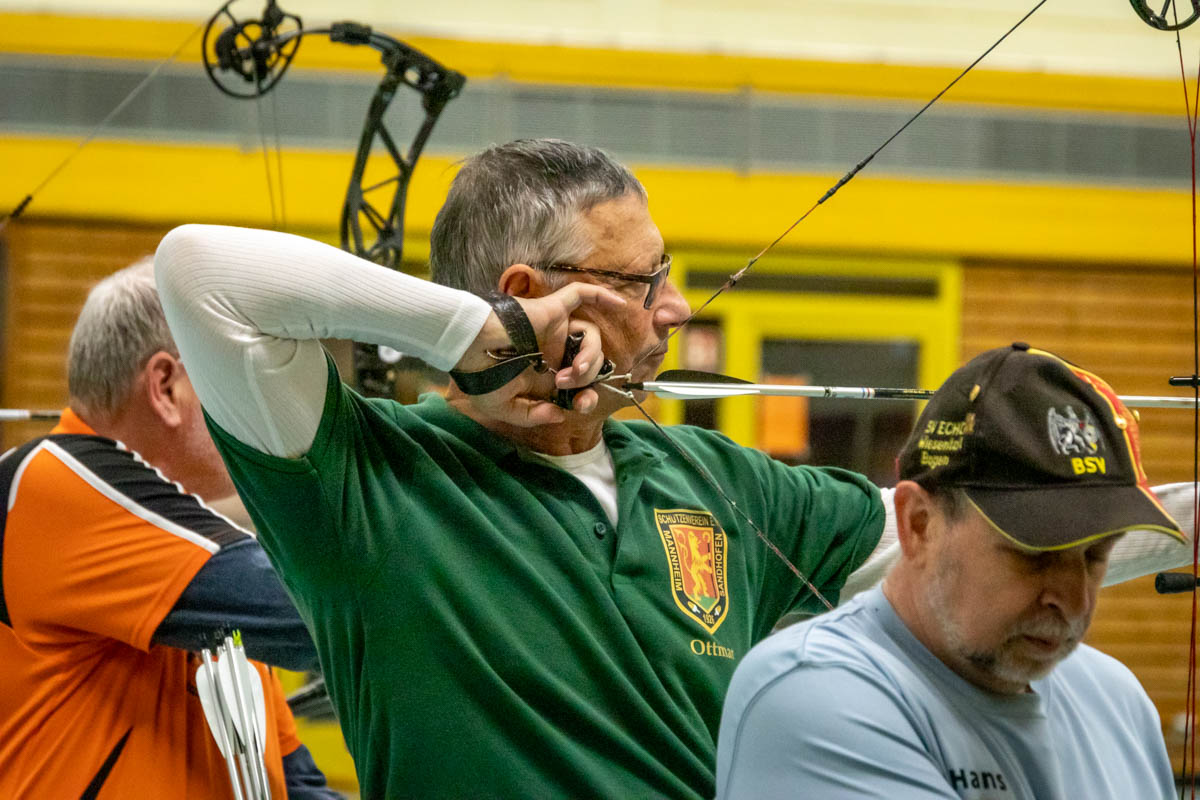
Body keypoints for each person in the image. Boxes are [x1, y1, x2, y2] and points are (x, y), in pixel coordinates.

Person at [154, 139, 1196, 798]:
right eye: (642, 279)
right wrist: (475, 334)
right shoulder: (363, 479)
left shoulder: (716, 477)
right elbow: (199, 272)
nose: (676, 309)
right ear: (532, 292)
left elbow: (976, 540)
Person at [715, 343, 1183, 799]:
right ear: (918, 524)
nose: (1075, 601)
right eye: (1036, 554)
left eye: (1096, 555)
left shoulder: (1118, 702)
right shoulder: (812, 692)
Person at [0, 260, 340, 799]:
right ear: (165, 386)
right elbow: (322, 618)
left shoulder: (211, 572)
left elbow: (290, 782)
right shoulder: (51, 481)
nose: (256, 413)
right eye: (235, 381)